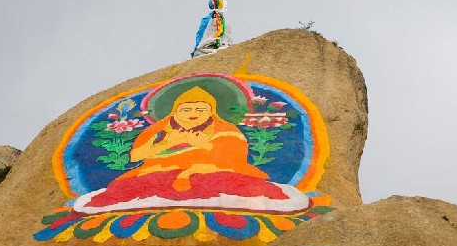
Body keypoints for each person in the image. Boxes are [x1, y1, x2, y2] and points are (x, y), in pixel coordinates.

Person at [72, 86, 308, 214]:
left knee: (240, 186)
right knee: (128, 188)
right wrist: (167, 143)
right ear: (174, 111)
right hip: (157, 173)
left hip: (212, 172)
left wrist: (203, 145)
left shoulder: (224, 129)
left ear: (211, 112)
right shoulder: (160, 130)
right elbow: (135, 156)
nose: (193, 113)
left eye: (200, 109)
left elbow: (235, 156)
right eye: (186, 110)